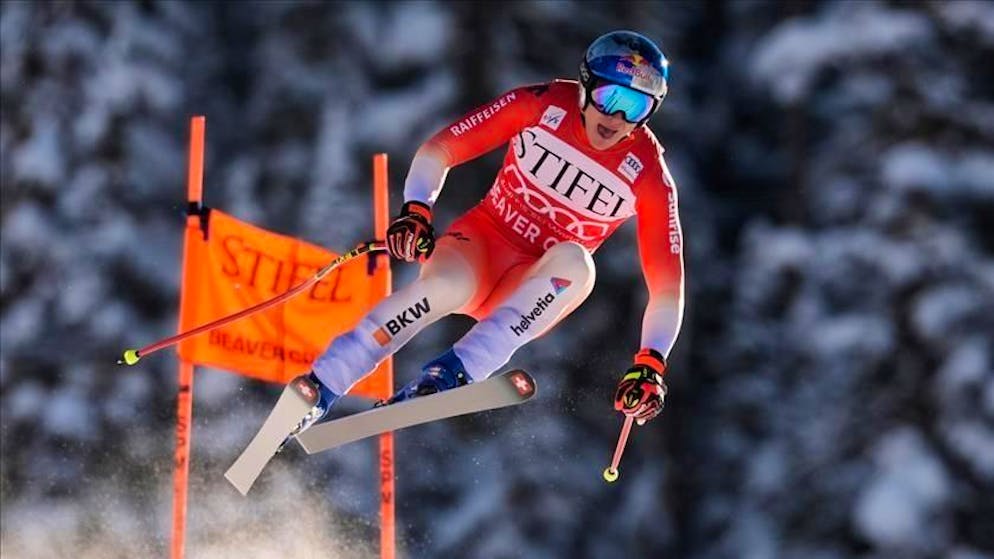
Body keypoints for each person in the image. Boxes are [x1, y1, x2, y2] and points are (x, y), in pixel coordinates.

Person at [290, 30, 684, 436]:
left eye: (635, 107)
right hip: (480, 246)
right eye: (609, 98)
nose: (616, 118)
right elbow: (439, 151)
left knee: (579, 264)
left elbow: (668, 287)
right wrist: (416, 210)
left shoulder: (649, 174)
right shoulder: (541, 104)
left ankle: (450, 376)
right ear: (586, 86)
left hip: (533, 287)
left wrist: (650, 363)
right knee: (442, 288)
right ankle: (320, 388)